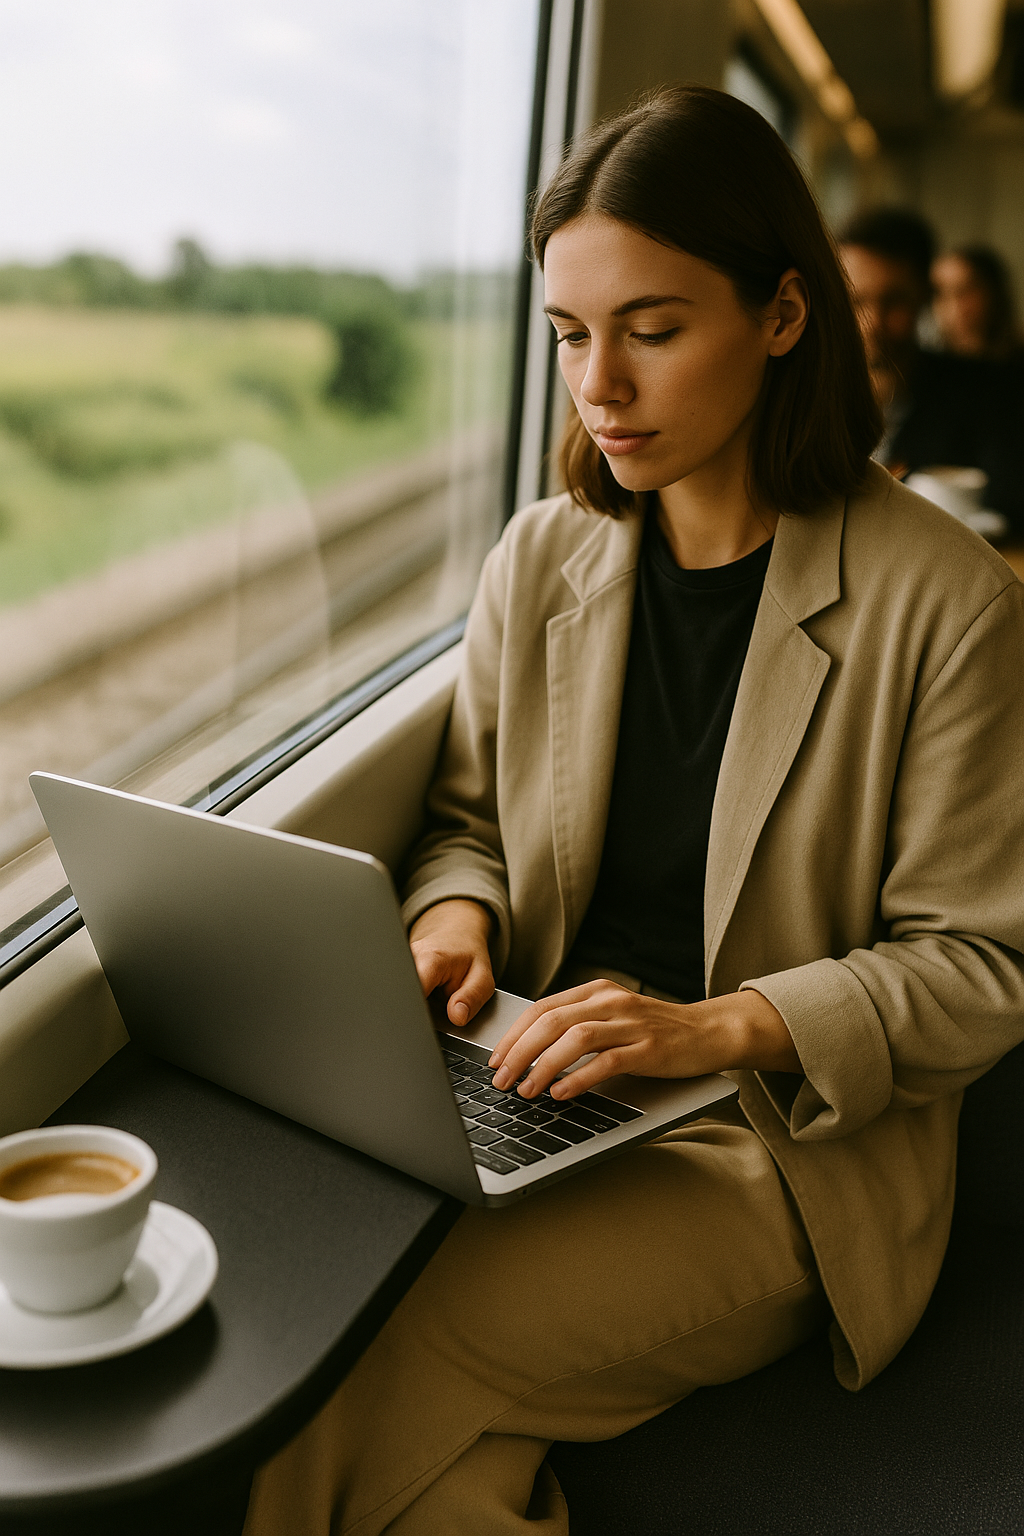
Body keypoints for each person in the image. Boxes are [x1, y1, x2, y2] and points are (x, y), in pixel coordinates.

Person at [244, 88, 1024, 1536]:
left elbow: (982, 967)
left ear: (782, 316)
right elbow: (469, 823)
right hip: (541, 1078)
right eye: (567, 335)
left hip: (774, 1143)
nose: (597, 385)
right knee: (428, 1461)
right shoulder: (539, 558)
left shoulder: (951, 602)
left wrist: (713, 1027)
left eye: (651, 330)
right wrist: (454, 922)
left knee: (376, 1340)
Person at [840, 208, 1024, 533]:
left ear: (925, 297)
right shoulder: (805, 398)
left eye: (894, 301)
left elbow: (1010, 504)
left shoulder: (985, 393)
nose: (873, 324)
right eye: (856, 301)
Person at [932, 244, 1024, 397]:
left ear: (993, 293)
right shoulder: (930, 370)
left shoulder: (1016, 361)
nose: (953, 304)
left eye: (965, 290)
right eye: (941, 293)